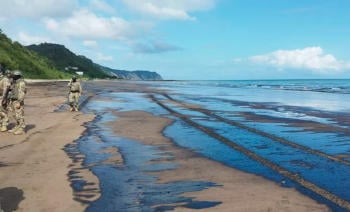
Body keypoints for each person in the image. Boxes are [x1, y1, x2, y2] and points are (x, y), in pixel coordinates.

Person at [8, 70, 26, 135]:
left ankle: (22, 129)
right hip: (13, 100)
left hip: (18, 101)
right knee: (14, 115)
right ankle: (18, 126)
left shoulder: (21, 83)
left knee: (20, 115)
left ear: (17, 76)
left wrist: (19, 102)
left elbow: (22, 93)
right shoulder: (15, 82)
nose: (12, 76)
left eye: (14, 75)